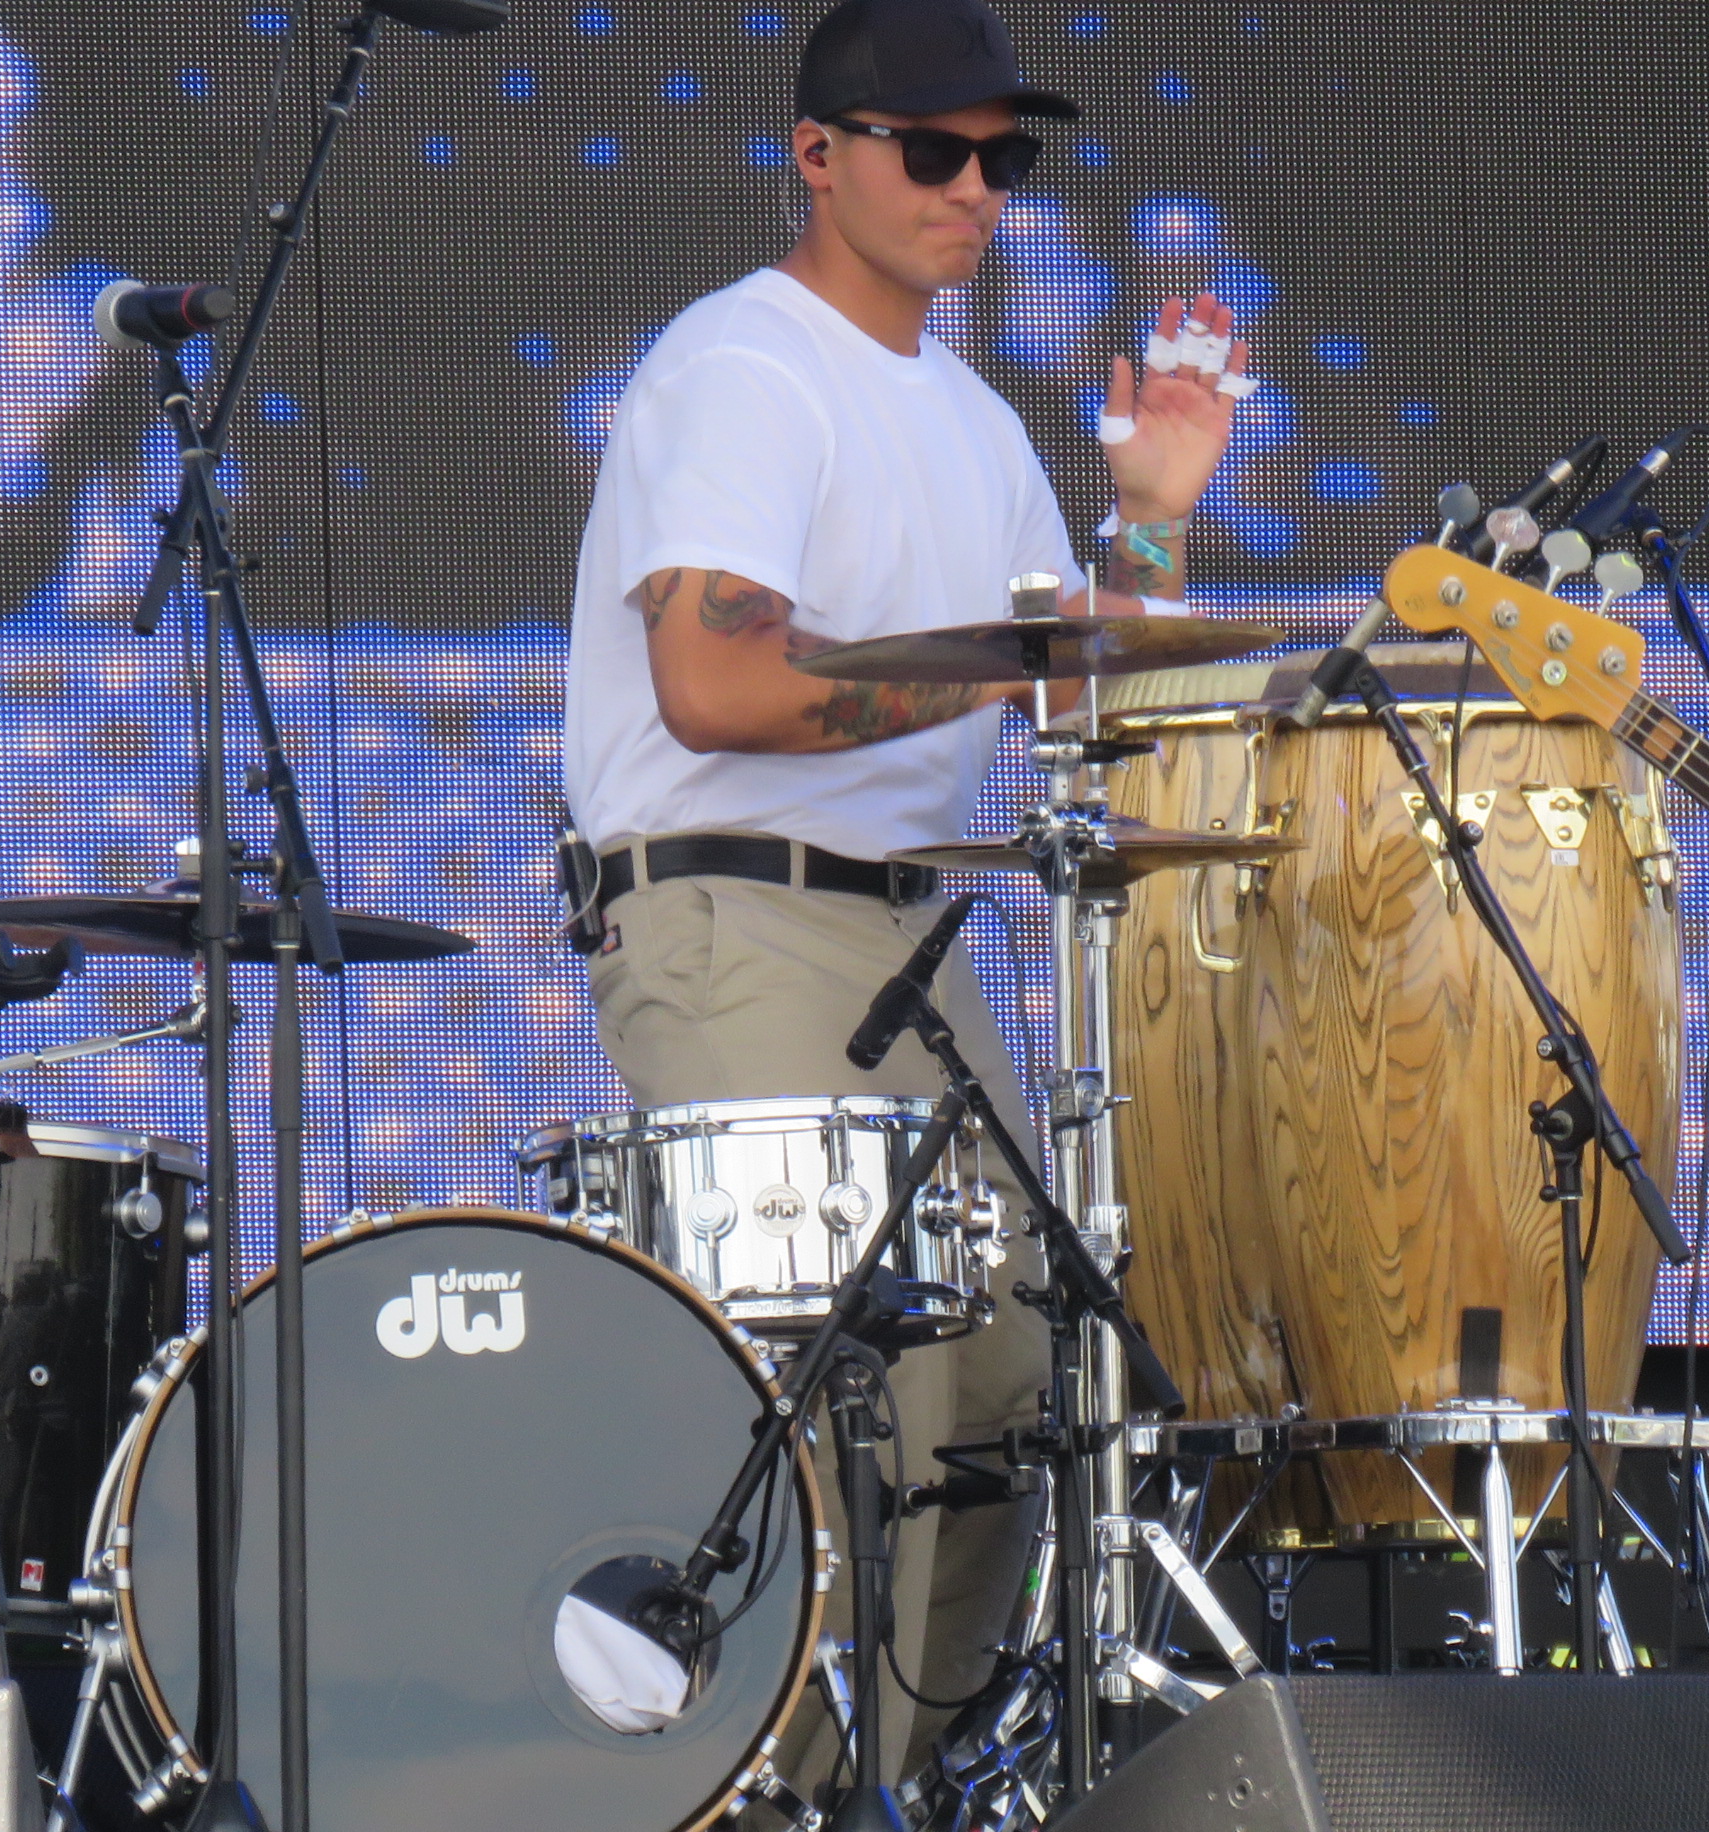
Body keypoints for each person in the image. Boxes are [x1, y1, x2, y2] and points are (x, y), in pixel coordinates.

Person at [556, 0, 1251, 1794]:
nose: (975, 189)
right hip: (739, 910)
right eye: (933, 152)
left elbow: (1077, 694)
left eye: (1001, 158)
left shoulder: (978, 420)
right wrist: (993, 669)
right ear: (819, 156)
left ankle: (909, 1781)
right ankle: (765, 1780)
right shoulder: (747, 368)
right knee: (830, 1393)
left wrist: (1154, 518)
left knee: (1005, 1375)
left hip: (919, 939)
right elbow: (717, 686)